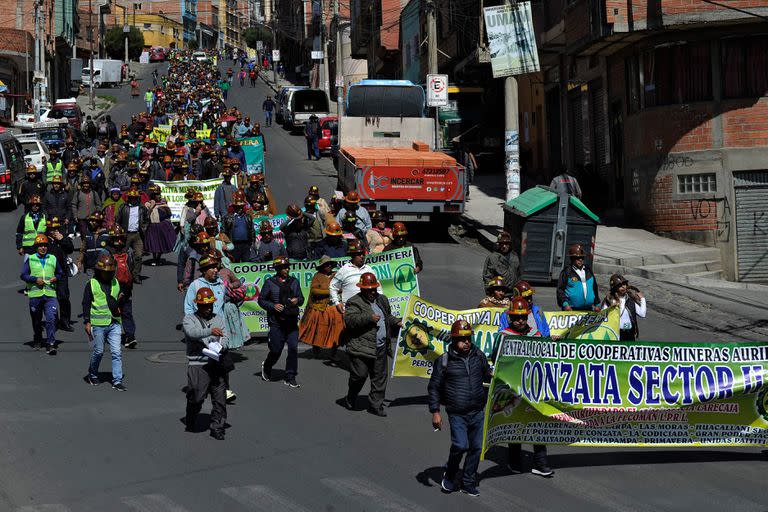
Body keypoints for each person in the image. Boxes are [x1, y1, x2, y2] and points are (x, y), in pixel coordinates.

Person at [428, 320, 491, 496]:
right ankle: (450, 474)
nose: (466, 342)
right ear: (454, 340)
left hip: (477, 411)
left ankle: (468, 482)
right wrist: (435, 412)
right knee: (460, 445)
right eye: (462, 339)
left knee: (476, 448)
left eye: (468, 338)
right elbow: (434, 387)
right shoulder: (444, 361)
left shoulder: (478, 355)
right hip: (457, 413)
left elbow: (488, 373)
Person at [498, 297, 553, 477]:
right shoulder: (504, 336)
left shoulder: (536, 335)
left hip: (534, 388)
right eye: (516, 317)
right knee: (515, 425)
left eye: (523, 317)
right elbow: (496, 360)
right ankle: (514, 461)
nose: (520, 321)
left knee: (538, 426)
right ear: (511, 318)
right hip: (513, 389)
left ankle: (540, 463)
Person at [342, 272, 401, 416]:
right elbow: (350, 320)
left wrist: (397, 322)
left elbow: (388, 317)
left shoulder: (382, 300)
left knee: (379, 377)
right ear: (362, 289)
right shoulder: (354, 302)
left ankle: (376, 405)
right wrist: (368, 318)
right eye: (370, 289)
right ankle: (351, 395)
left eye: (374, 289)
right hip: (361, 347)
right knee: (360, 375)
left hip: (380, 347)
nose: (373, 292)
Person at [183, 287, 230, 440]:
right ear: (198, 305)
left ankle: (217, 427)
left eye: (210, 305)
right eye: (204, 306)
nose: (208, 309)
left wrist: (223, 346)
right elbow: (192, 333)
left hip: (217, 365)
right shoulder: (189, 319)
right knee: (196, 397)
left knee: (220, 399)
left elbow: (226, 336)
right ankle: (191, 416)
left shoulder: (219, 319)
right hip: (198, 365)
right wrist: (210, 331)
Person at [258, 256, 305, 388]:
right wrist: (273, 306)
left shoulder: (294, 281)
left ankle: (290, 376)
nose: (287, 269)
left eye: (288, 267)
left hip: (291, 322)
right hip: (276, 322)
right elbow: (261, 300)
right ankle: (267, 365)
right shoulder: (269, 283)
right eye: (284, 267)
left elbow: (301, 298)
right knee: (276, 349)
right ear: (277, 269)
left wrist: (297, 300)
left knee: (293, 349)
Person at [20, 234, 62, 354]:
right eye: (40, 246)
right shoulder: (31, 259)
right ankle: (37, 338)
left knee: (51, 318)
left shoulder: (53, 258)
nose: (43, 248)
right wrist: (34, 279)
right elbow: (23, 275)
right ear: (36, 247)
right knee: (36, 320)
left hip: (50, 294)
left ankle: (50, 343)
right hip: (35, 295)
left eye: (44, 245)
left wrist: (56, 277)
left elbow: (60, 273)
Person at [299, 256, 345, 359]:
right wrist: (330, 292)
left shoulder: (336, 275)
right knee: (319, 330)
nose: (328, 266)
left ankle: (334, 352)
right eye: (325, 265)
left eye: (329, 264)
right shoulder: (317, 276)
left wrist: (338, 291)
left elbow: (342, 287)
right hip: (320, 307)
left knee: (336, 330)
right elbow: (315, 291)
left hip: (335, 306)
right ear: (322, 267)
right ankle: (316, 345)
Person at [106, 226, 138, 349]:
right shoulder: (106, 253)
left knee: (127, 313)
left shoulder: (128, 252)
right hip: (111, 289)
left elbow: (131, 271)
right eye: (116, 239)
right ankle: (111, 335)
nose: (119, 242)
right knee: (111, 313)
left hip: (126, 288)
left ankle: (130, 336)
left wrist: (126, 290)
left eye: (120, 239)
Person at [330, 239, 379, 310]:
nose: (362, 256)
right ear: (352, 255)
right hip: (351, 310)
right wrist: (337, 303)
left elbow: (378, 289)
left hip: (369, 309)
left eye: (363, 254)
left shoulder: (369, 269)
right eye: (359, 254)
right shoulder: (344, 270)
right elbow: (333, 287)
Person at [45, 217, 74, 332]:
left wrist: (63, 240)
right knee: (50, 298)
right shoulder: (44, 240)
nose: (54, 231)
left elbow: (70, 249)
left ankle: (65, 321)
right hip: (48, 274)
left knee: (64, 297)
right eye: (51, 229)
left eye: (56, 228)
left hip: (61, 273)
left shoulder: (62, 238)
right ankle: (54, 320)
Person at [116, 188, 148, 284]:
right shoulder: (123, 207)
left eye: (135, 198)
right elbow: (118, 220)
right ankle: (123, 274)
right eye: (131, 198)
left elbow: (146, 220)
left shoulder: (142, 208)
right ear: (128, 198)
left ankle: (136, 275)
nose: (133, 199)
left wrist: (144, 229)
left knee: (138, 256)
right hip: (126, 234)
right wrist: (119, 232)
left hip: (138, 235)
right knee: (123, 255)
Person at [602, 274, 646, 341]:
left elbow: (642, 314)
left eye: (624, 284)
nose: (623, 287)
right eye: (619, 285)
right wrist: (611, 308)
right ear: (614, 288)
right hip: (615, 333)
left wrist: (642, 299)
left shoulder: (630, 300)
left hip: (629, 334)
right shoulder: (609, 300)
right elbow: (602, 316)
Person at [556, 243, 600, 312]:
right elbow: (560, 290)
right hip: (571, 310)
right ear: (572, 258)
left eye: (582, 257)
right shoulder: (566, 272)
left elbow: (594, 288)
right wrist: (565, 304)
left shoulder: (588, 271)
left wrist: (597, 304)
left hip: (588, 310)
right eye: (577, 258)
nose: (580, 260)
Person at [143, 184, 176, 266]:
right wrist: (151, 206)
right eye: (156, 195)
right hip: (153, 226)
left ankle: (158, 258)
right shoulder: (147, 204)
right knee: (154, 243)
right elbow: (145, 216)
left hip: (162, 225)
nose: (158, 196)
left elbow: (169, 213)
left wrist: (165, 206)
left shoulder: (163, 202)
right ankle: (154, 258)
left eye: (159, 194)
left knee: (162, 242)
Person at [221, 191, 254, 263]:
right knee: (235, 263)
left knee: (247, 263)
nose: (240, 209)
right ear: (234, 207)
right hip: (234, 245)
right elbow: (223, 232)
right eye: (238, 207)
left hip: (246, 245)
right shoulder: (227, 218)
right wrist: (225, 244)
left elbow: (252, 230)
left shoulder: (248, 217)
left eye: (241, 207)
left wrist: (253, 243)